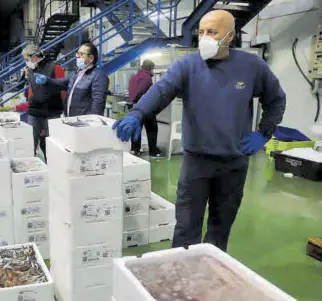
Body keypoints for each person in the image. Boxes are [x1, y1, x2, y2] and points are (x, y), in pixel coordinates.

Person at [112, 10, 286, 252]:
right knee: (186, 228)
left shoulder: (251, 66)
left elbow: (276, 99)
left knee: (220, 227)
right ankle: (182, 279)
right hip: (197, 163)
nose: (204, 37)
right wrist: (137, 113)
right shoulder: (187, 66)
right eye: (201, 31)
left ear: (230, 36)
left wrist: (264, 133)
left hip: (233, 164)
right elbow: (162, 90)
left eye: (212, 32)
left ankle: (209, 275)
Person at [34, 42, 109, 116]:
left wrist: (92, 123)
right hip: (72, 119)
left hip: (84, 123)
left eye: (81, 54)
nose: (77, 56)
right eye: (77, 53)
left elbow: (98, 104)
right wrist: (46, 80)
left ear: (91, 58)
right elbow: (61, 83)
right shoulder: (77, 73)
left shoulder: (99, 76)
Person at [21, 44, 65, 159]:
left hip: (51, 113)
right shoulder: (30, 70)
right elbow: (32, 91)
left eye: (27, 59)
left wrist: (63, 109)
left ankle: (53, 166)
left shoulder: (55, 68)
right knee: (31, 144)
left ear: (34, 57)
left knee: (51, 144)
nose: (26, 62)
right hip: (34, 113)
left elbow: (63, 90)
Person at [128, 59, 162, 157]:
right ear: (150, 68)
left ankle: (135, 149)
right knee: (152, 128)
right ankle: (153, 151)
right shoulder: (147, 78)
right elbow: (144, 92)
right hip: (146, 106)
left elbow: (132, 91)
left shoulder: (134, 77)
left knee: (136, 128)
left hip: (135, 106)